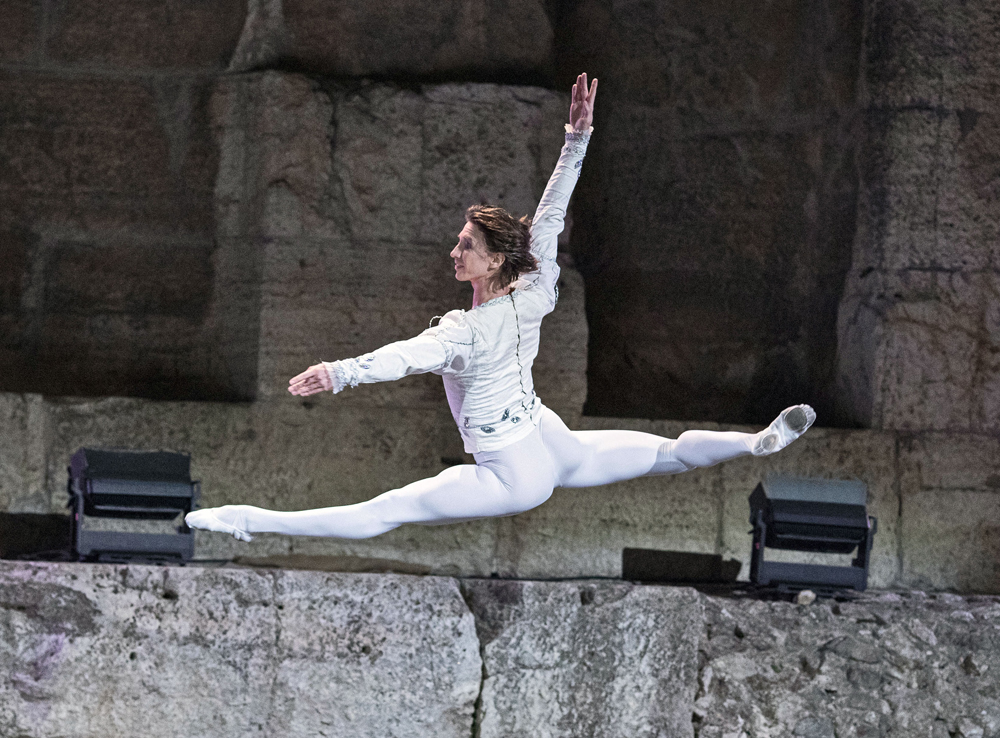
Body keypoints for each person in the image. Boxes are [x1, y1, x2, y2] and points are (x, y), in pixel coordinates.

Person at [186, 73, 815, 543]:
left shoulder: (464, 332)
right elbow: (551, 215)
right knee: (667, 454)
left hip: (514, 473)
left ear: (492, 262)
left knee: (384, 512)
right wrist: (576, 139)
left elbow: (403, 357)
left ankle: (249, 521)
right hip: (547, 436)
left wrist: (340, 373)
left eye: (466, 245)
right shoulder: (534, 290)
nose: (454, 252)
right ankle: (755, 442)